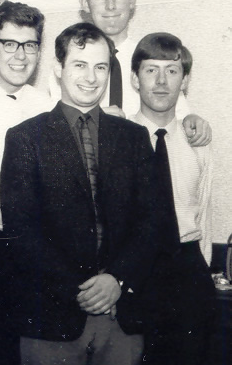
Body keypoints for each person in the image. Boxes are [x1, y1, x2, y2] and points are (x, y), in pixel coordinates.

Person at [0, 22, 159, 365]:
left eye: (100, 67)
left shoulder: (134, 138)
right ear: (58, 69)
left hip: (121, 317)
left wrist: (116, 279)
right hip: (51, 318)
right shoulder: (25, 138)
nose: (91, 77)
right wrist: (86, 291)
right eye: (80, 65)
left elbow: (152, 222)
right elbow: (21, 231)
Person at [47, 0, 211, 146]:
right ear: (85, 2)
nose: (110, 6)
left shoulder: (152, 58)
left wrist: (192, 121)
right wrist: (92, 116)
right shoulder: (69, 65)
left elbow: (179, 116)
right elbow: (55, 128)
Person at [0, 0, 52, 365]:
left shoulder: (47, 105)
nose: (21, 56)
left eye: (30, 45)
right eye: (10, 44)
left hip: (37, 243)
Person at [129, 33, 215, 365]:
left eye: (172, 71)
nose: (162, 81)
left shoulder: (199, 140)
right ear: (136, 79)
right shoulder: (120, 136)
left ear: (186, 80)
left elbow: (205, 209)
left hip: (188, 269)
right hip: (136, 272)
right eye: (151, 70)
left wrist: (201, 273)